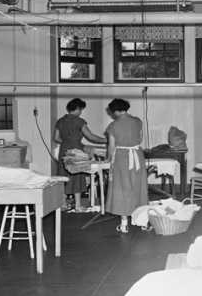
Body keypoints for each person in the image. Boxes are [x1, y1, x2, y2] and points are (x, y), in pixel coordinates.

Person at [54, 98, 107, 212]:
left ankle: (63, 204)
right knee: (77, 176)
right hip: (76, 150)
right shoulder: (79, 121)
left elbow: (56, 138)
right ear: (77, 109)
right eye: (81, 109)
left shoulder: (60, 121)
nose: (81, 112)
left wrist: (67, 142)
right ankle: (78, 205)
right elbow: (91, 137)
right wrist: (106, 141)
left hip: (64, 150)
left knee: (63, 175)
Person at [105, 98, 148, 233]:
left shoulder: (113, 125)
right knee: (139, 187)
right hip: (137, 156)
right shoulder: (137, 121)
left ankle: (124, 224)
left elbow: (111, 147)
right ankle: (143, 222)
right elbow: (140, 139)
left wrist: (108, 160)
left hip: (121, 158)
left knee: (122, 188)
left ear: (116, 111)